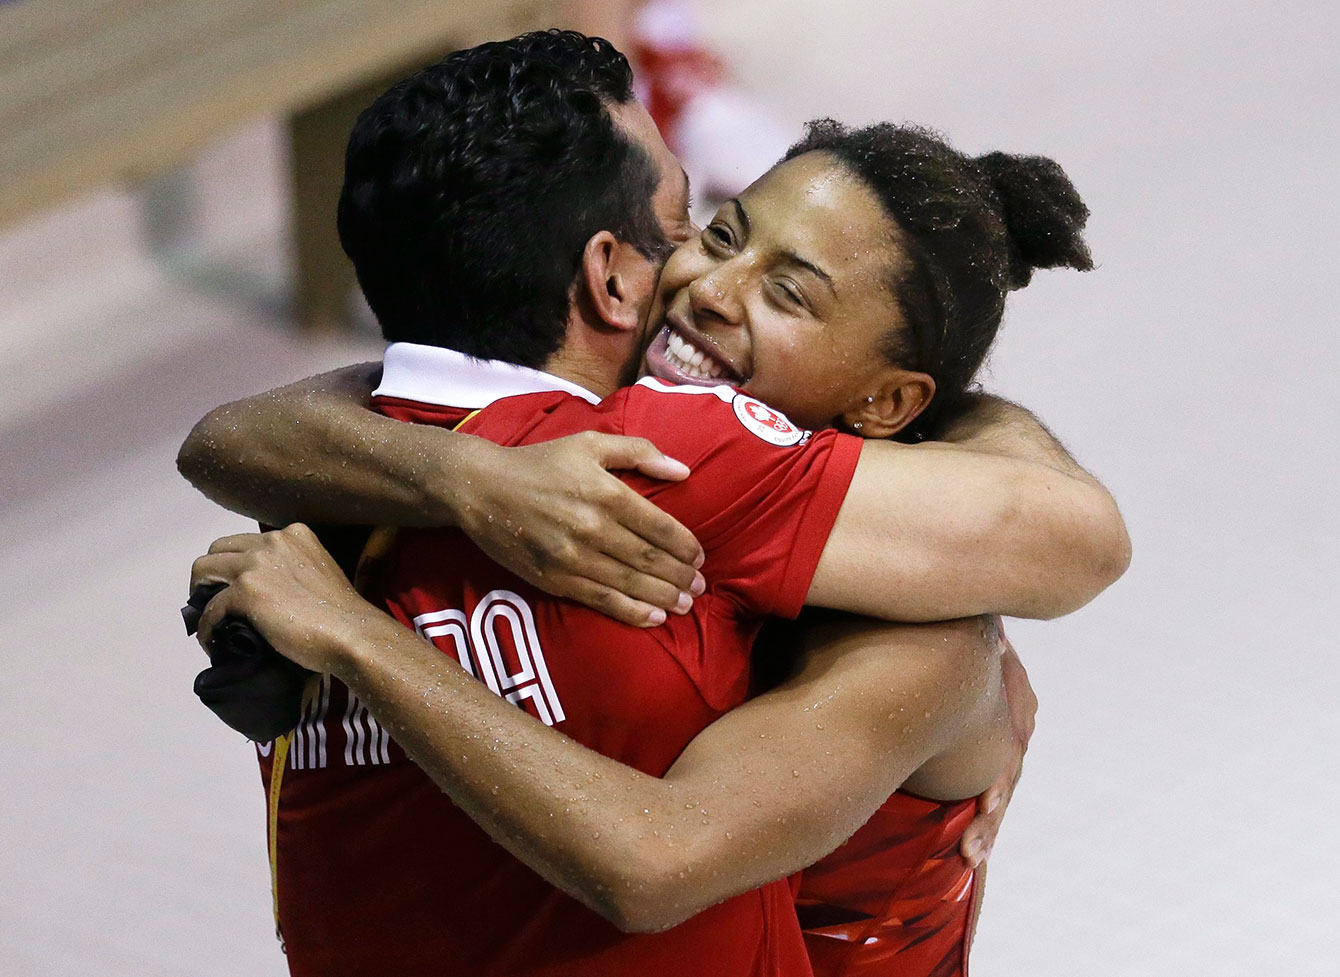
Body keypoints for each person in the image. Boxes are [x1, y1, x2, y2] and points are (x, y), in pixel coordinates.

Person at [180, 31, 1126, 977]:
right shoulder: (546, 448)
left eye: (789, 294)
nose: (708, 286)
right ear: (609, 273)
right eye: (713, 232)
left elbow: (1082, 536)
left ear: (887, 403)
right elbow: (234, 438)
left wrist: (356, 629)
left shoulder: (712, 471)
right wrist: (463, 476)